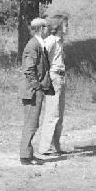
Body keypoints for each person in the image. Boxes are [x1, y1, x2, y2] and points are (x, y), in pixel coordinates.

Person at [17, 17, 53, 166]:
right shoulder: (33, 45)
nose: (49, 30)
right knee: (31, 123)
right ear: (41, 29)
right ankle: (25, 157)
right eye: (47, 28)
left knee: (33, 123)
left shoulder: (38, 44)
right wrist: (37, 87)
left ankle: (28, 154)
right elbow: (29, 69)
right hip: (32, 91)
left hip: (34, 90)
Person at [37, 14, 68, 156]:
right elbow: (41, 57)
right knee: (52, 113)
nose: (68, 27)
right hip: (54, 77)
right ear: (58, 27)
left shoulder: (60, 41)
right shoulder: (50, 41)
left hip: (61, 77)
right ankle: (44, 147)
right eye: (65, 25)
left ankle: (56, 146)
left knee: (59, 115)